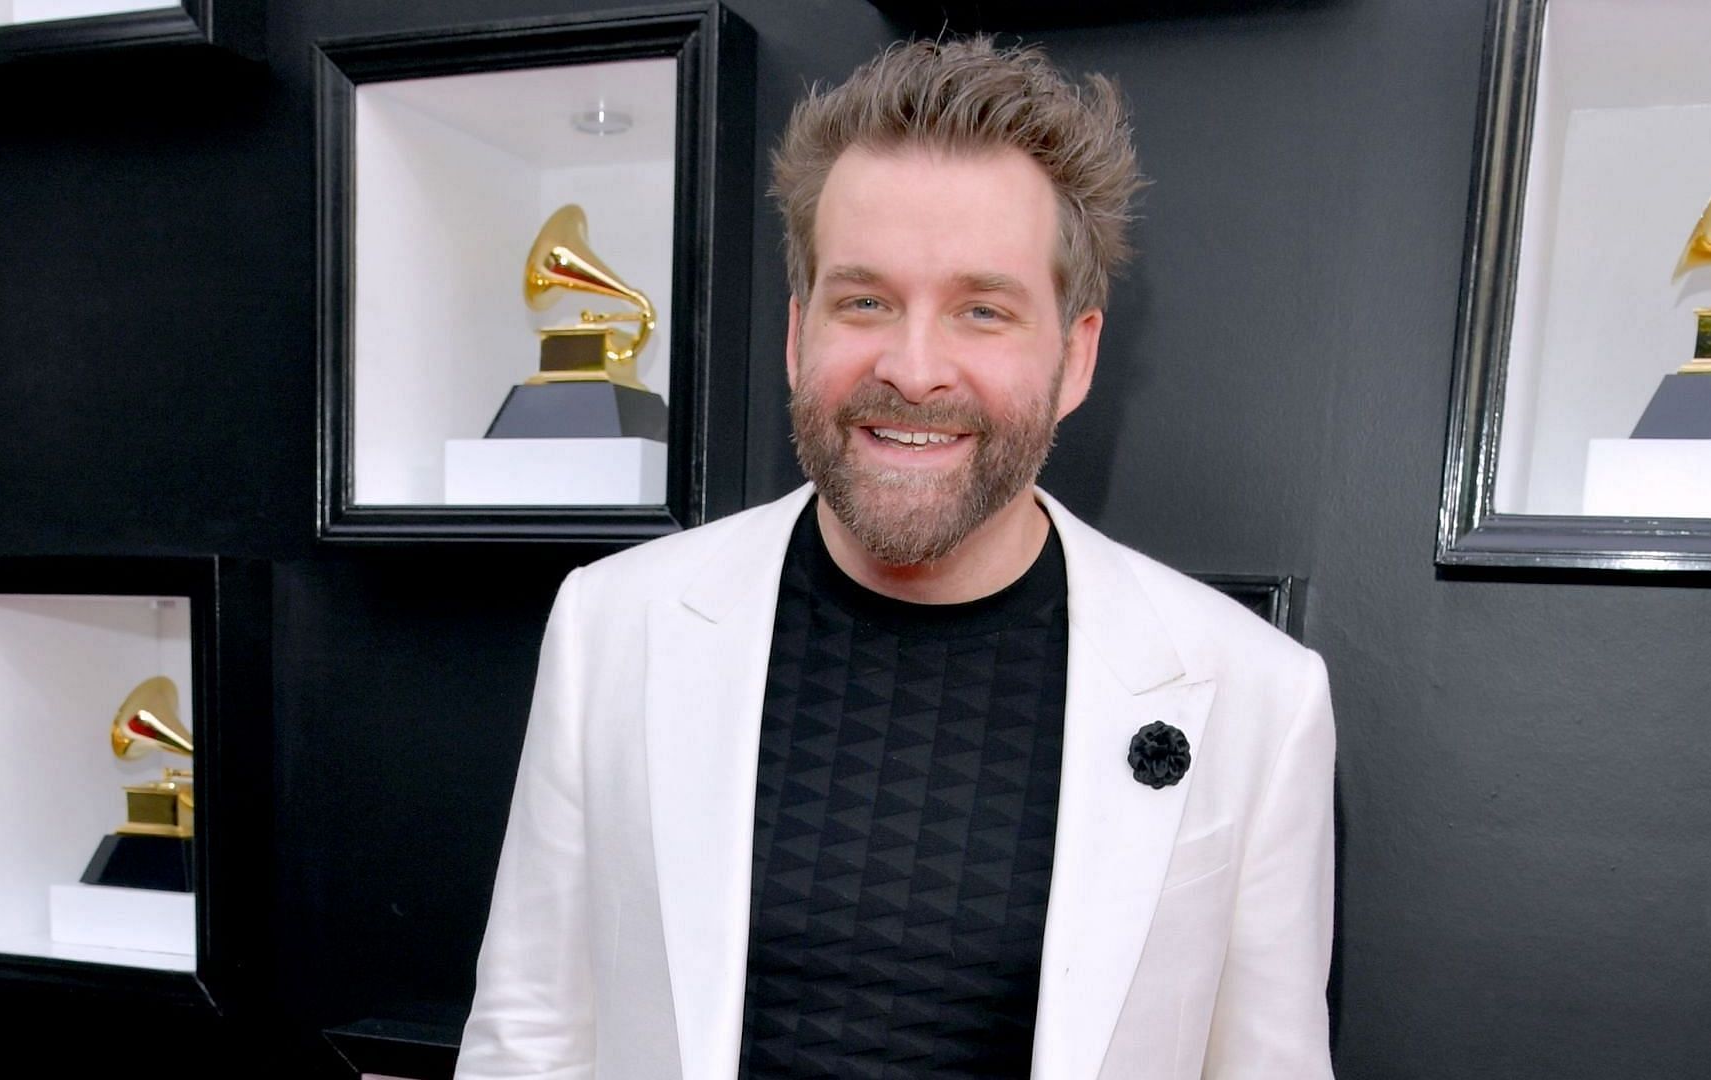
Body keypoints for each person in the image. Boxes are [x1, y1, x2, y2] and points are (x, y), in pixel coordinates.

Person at [455, 35, 1336, 1080]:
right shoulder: (612, 626)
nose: (914, 369)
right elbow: (528, 1040)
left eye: (982, 310)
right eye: (864, 300)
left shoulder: (1258, 700)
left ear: (1077, 355)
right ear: (797, 334)